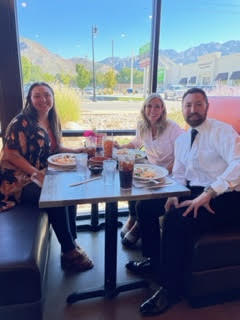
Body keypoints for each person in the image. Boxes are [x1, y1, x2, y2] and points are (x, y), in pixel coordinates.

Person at [127, 87, 240, 316]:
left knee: (176, 220)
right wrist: (172, 194)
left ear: (207, 106)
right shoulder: (183, 140)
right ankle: (153, 259)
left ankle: (171, 288)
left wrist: (209, 193)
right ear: (182, 109)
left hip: (227, 194)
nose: (193, 109)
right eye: (188, 105)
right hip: (193, 189)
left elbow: (238, 164)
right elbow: (179, 174)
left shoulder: (222, 131)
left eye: (198, 104)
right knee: (146, 206)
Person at [0, 82, 93, 273]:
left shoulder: (50, 119)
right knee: (55, 195)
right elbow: (10, 155)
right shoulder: (21, 123)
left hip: (41, 173)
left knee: (69, 187)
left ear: (52, 98)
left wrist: (78, 151)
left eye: (47, 95)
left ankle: (72, 241)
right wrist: (35, 173)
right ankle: (68, 252)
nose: (43, 100)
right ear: (30, 99)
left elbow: (54, 149)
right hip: (17, 182)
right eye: (37, 96)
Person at [115, 93, 183, 247]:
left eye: (158, 106)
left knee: (144, 204)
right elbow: (135, 143)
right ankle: (133, 218)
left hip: (170, 175)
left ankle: (139, 225)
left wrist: (165, 173)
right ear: (144, 109)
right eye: (149, 106)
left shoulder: (173, 128)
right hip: (151, 172)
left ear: (163, 109)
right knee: (129, 184)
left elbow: (182, 155)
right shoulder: (142, 126)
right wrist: (119, 147)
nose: (153, 110)